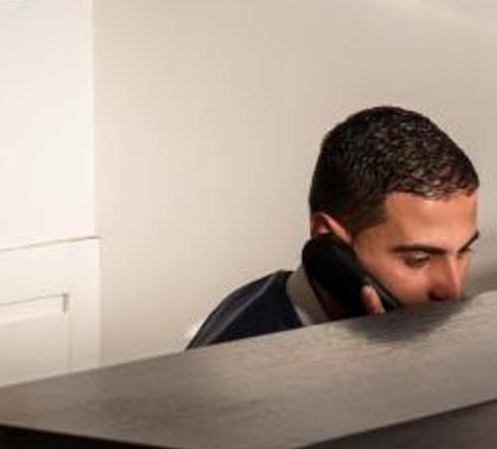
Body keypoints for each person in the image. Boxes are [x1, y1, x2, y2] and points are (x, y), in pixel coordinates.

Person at [187, 105, 480, 349]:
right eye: (418, 259)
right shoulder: (252, 363)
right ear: (330, 246)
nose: (453, 290)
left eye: (464, 251)